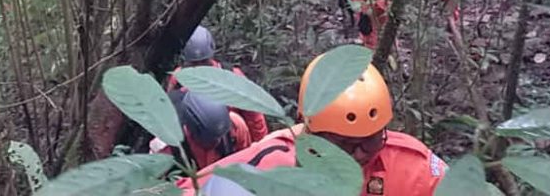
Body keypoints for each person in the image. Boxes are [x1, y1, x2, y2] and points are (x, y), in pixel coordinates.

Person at [176, 51, 447, 195]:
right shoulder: (275, 160)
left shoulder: (412, 165)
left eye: (372, 139)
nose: (361, 154)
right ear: (311, 132)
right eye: (345, 145)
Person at [167, 25, 269, 142]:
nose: (200, 67)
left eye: (204, 62)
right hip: (195, 141)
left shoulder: (232, 77)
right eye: (194, 63)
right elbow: (172, 114)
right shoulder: (179, 78)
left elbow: (254, 117)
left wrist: (261, 146)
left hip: (232, 140)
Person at [149, 91, 252, 169]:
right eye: (211, 140)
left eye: (219, 137)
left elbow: (246, 160)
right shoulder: (167, 147)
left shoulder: (236, 126)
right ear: (192, 129)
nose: (218, 142)